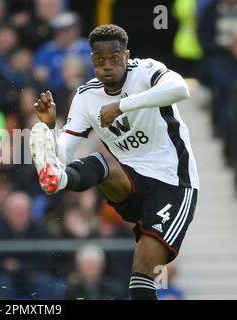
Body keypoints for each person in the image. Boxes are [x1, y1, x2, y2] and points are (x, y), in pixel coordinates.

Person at [30, 24, 199, 300]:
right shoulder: (86, 97)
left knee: (141, 276)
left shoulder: (145, 70)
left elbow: (181, 89)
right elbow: (62, 156)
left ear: (127, 55)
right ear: (92, 61)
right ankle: (60, 182)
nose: (107, 65)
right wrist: (50, 128)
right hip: (130, 181)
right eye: (99, 59)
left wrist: (123, 105)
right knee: (99, 161)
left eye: (114, 58)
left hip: (173, 183)